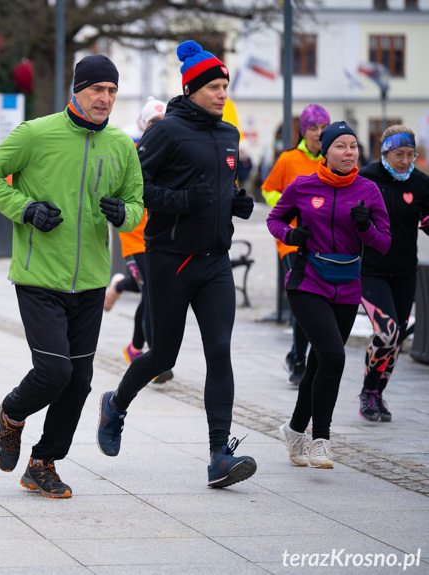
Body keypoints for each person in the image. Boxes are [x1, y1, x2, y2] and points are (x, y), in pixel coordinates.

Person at [0, 54, 144, 498]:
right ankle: (11, 415)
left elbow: (137, 206)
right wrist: (25, 209)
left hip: (89, 280)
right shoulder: (37, 133)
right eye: (97, 90)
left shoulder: (122, 146)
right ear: (77, 89)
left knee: (80, 380)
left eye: (111, 91)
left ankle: (43, 463)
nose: (105, 98)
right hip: (38, 275)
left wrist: (123, 213)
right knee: (53, 372)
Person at [96, 41, 257, 489]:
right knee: (163, 354)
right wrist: (183, 202)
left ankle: (219, 456)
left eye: (225, 86)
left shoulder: (228, 134)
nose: (222, 94)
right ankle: (116, 404)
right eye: (214, 86)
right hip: (170, 260)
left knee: (219, 352)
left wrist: (235, 202)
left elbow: (222, 185)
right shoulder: (165, 132)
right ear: (191, 88)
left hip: (215, 263)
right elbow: (138, 188)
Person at [267, 122, 390, 469]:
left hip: (348, 286)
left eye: (354, 146)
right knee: (333, 357)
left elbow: (384, 242)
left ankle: (293, 430)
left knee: (320, 362)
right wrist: (293, 236)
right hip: (308, 283)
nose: (349, 152)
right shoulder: (304, 185)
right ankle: (321, 439)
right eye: (341, 146)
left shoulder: (369, 190)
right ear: (326, 151)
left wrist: (366, 226)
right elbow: (275, 220)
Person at [356, 125, 429, 422]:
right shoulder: (366, 178)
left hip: (404, 272)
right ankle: (367, 390)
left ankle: (378, 393)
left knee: (395, 338)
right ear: (385, 152)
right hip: (371, 271)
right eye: (399, 154)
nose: (405, 161)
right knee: (385, 333)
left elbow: (425, 220)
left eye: (411, 154)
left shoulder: (421, 183)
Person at [103, 97, 173, 383]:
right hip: (135, 235)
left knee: (156, 292)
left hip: (162, 235)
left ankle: (134, 346)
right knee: (153, 294)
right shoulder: (131, 152)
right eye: (153, 122)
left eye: (163, 122)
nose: (158, 127)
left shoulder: (173, 153)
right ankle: (151, 354)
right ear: (143, 125)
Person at [262, 105, 330, 385]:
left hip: (325, 243)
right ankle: (299, 361)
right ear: (304, 131)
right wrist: (287, 212)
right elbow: (268, 188)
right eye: (313, 128)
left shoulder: (332, 158)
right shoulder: (289, 159)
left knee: (319, 302)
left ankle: (298, 355)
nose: (318, 133)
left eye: (323, 128)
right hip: (292, 243)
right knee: (303, 301)